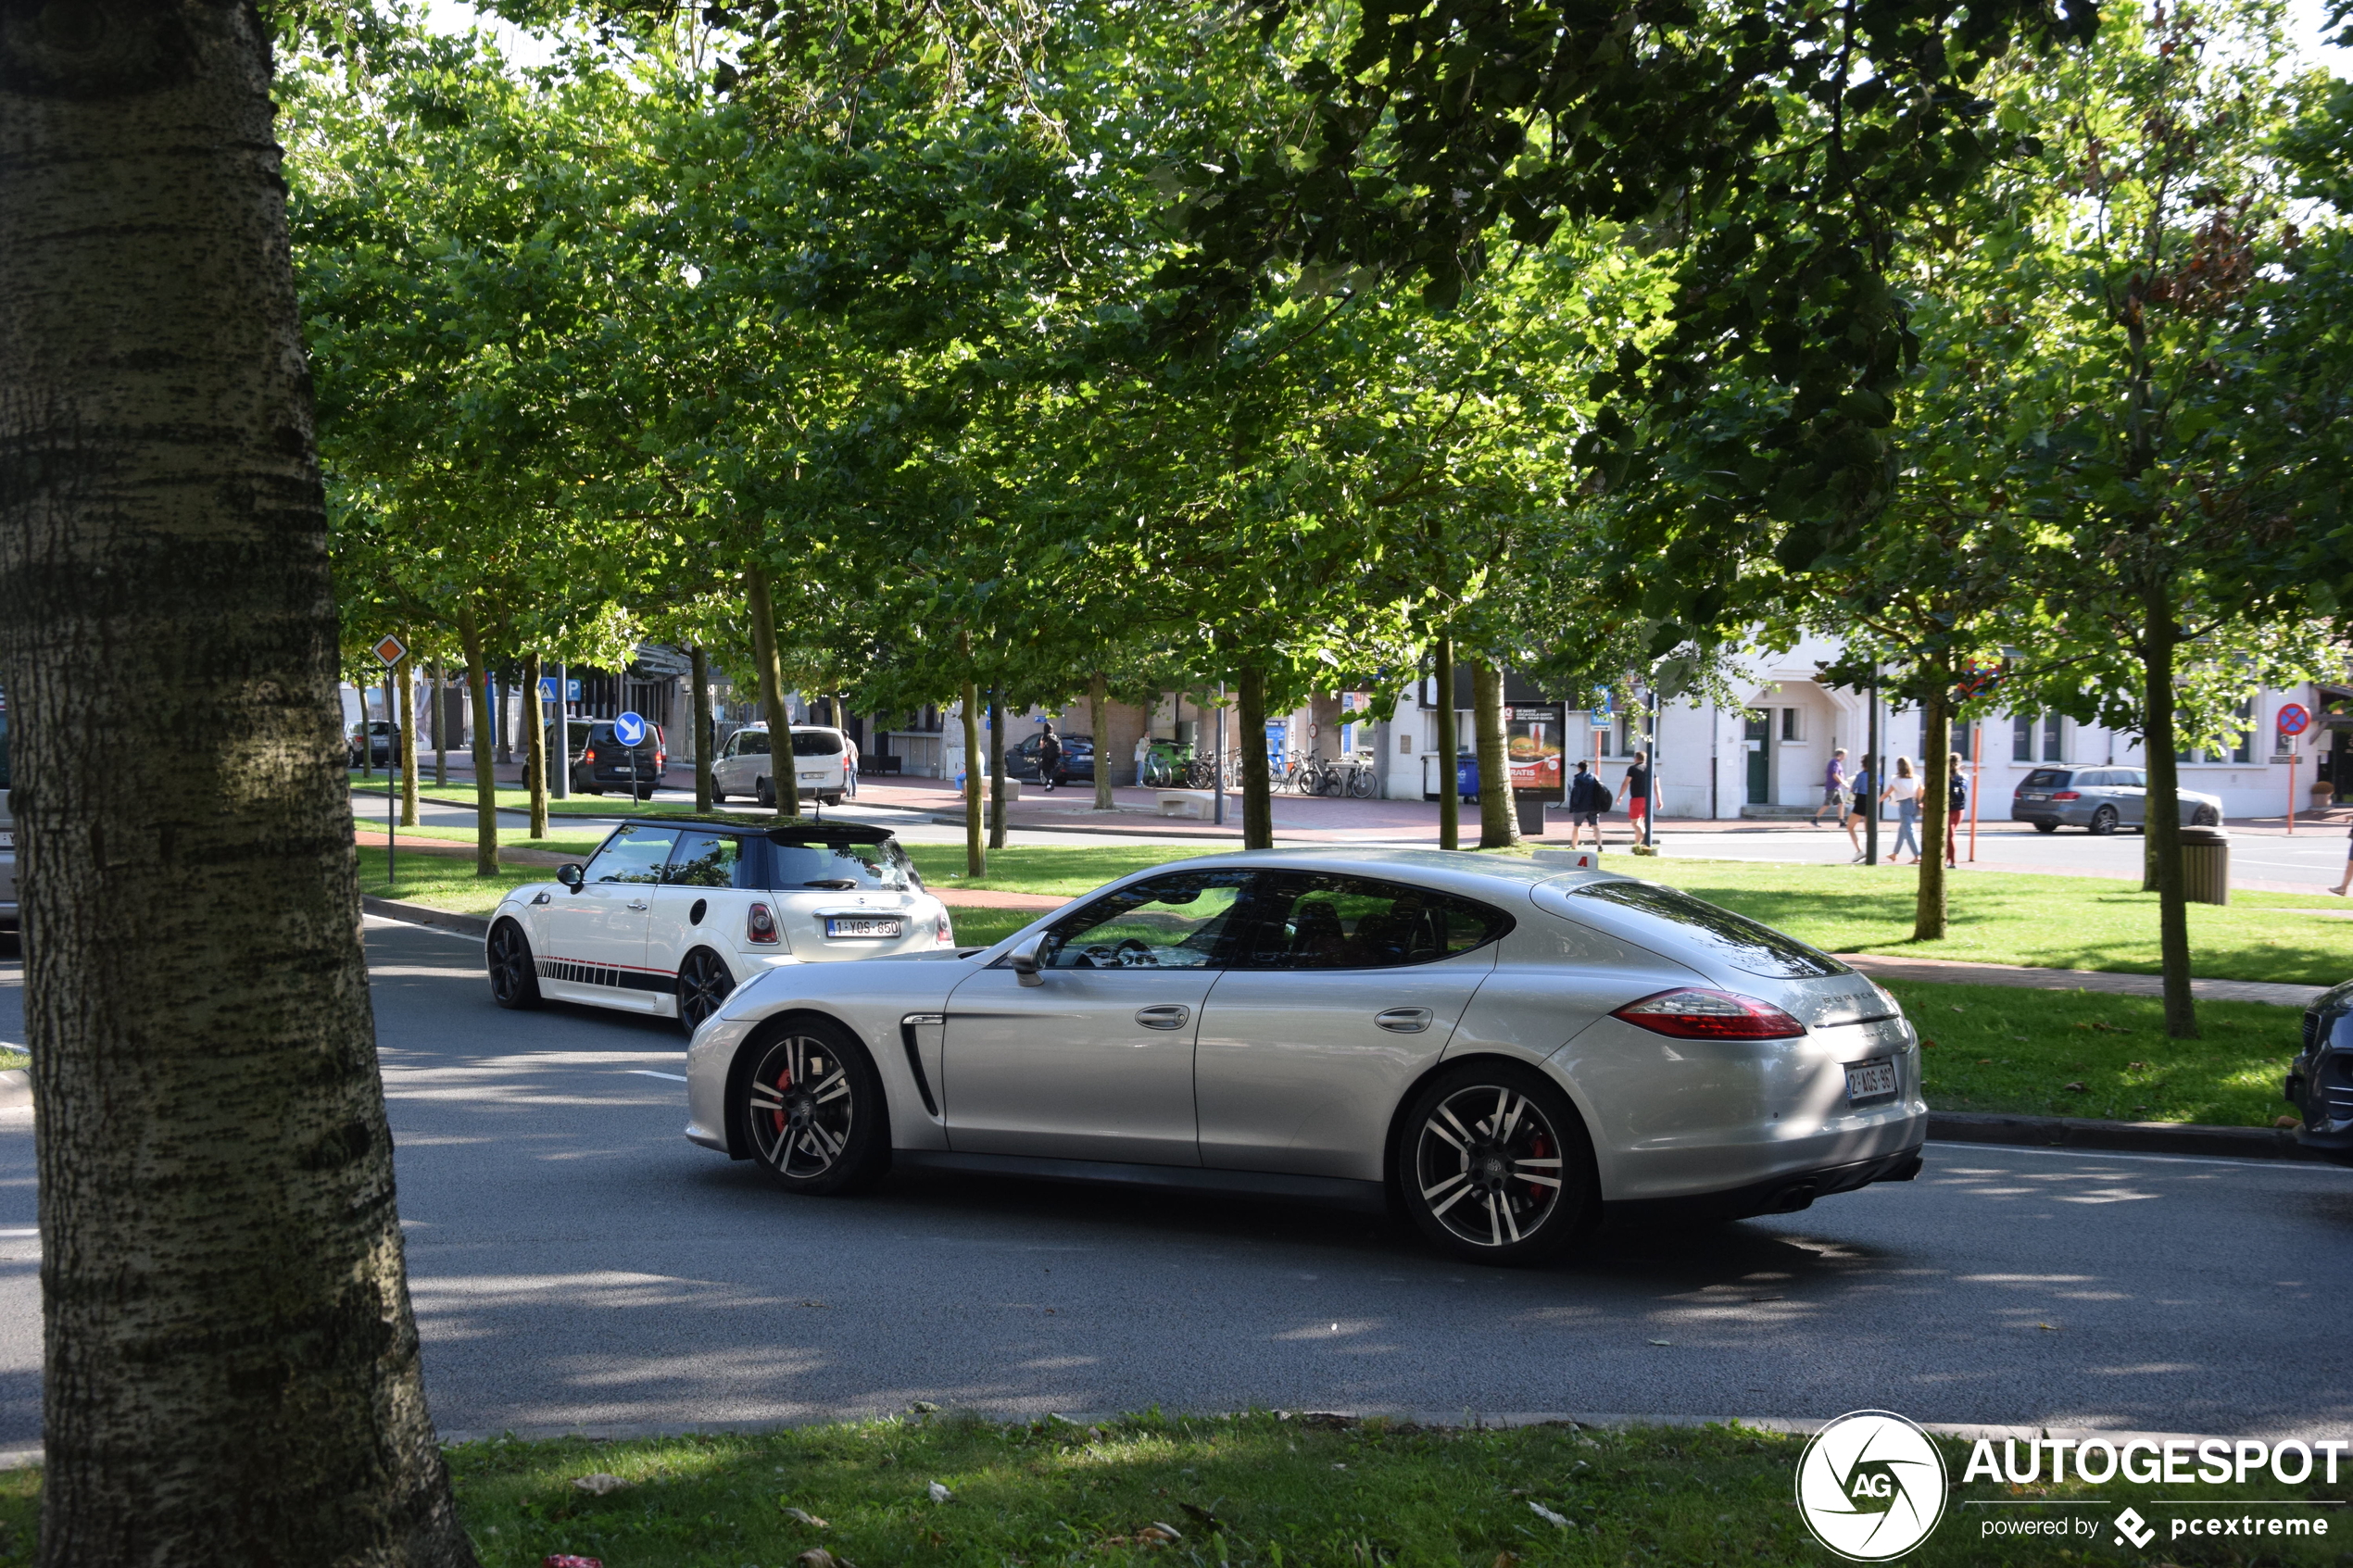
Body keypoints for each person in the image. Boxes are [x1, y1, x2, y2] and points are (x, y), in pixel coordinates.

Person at [1881, 755, 1923, 864]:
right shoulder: (1916, 778)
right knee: (1903, 830)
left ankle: (1918, 854)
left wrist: (1877, 801)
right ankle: (1895, 853)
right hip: (1915, 804)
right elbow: (1921, 791)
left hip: (1905, 805)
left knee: (1909, 831)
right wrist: (1921, 803)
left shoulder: (1896, 780)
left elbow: (1887, 793)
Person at [1567, 759, 1605, 849]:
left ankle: (1574, 846)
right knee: (1595, 826)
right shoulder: (1594, 777)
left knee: (1577, 826)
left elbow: (1576, 794)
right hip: (1593, 806)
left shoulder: (1578, 779)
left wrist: (1574, 806)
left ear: (1579, 768)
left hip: (1580, 807)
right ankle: (1600, 845)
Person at [1843, 757, 1872, 859]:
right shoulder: (1877, 775)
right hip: (1871, 800)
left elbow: (1854, 788)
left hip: (1861, 800)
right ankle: (1871, 851)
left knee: (1850, 826)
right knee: (1869, 829)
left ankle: (1859, 850)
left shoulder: (1861, 775)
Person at [1812, 748, 1849, 825]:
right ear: (1839, 755)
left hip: (1837, 787)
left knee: (1841, 803)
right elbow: (1835, 775)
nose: (1844, 757)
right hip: (1832, 787)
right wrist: (1843, 783)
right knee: (1827, 804)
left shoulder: (1837, 763)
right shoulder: (1834, 763)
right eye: (1844, 755)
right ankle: (1815, 819)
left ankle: (1841, 821)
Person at [1622, 749, 1653, 840]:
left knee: (1635, 823)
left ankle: (1646, 841)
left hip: (1636, 799)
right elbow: (1656, 784)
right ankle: (1637, 845)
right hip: (1647, 799)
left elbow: (1626, 783)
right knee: (1640, 822)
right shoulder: (1650, 768)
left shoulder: (1633, 768)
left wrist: (1620, 795)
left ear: (1636, 758)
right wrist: (1659, 799)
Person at [1944, 750, 1967, 867]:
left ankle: (1952, 862)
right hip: (1960, 809)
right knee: (1950, 835)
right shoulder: (1963, 777)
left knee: (1949, 836)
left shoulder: (1946, 777)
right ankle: (1947, 859)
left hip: (1949, 809)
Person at [1036, 721, 1063, 794]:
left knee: (1044, 770)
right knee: (1050, 771)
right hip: (1054, 757)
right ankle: (1049, 786)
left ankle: (1051, 781)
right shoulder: (1055, 736)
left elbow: (1041, 747)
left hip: (1046, 756)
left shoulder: (1044, 736)